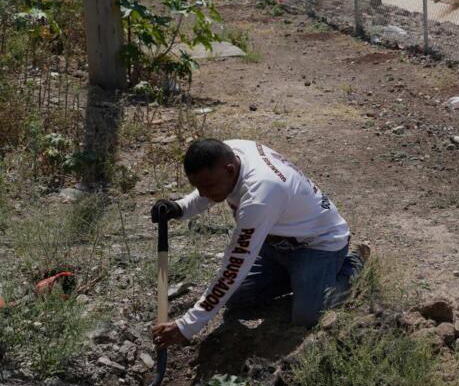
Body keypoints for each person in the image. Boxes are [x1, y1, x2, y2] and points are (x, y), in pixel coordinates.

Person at [149, 139, 368, 348]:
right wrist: (180, 208)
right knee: (234, 297)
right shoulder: (231, 152)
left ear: (230, 170)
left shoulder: (260, 196)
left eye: (208, 186)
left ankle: (352, 266)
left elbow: (233, 268)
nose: (204, 194)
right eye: (198, 187)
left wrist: (187, 326)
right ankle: (301, 279)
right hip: (276, 242)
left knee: (308, 316)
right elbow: (205, 189)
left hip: (318, 244)